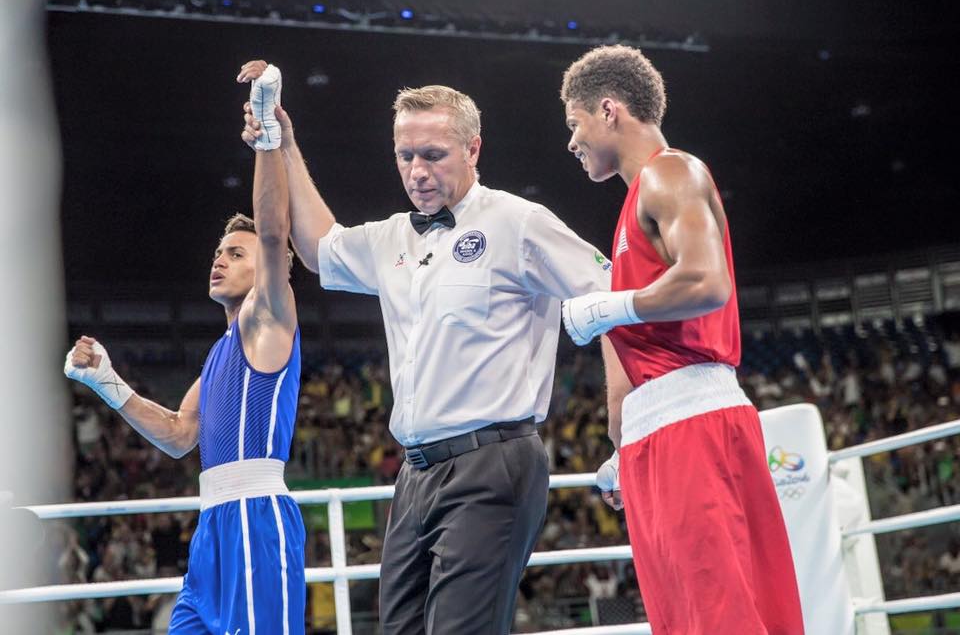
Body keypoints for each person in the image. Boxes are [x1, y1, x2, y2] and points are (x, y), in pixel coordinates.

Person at [236, 60, 610, 634]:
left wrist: (624, 431)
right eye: (405, 156)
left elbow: (614, 297)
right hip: (415, 473)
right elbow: (318, 249)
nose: (417, 171)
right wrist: (284, 142)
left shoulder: (519, 222)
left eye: (433, 155)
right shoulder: (393, 237)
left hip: (493, 460)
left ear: (473, 149)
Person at [558, 45, 805, 634]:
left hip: (694, 426)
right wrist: (624, 446)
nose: (571, 142)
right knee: (684, 620)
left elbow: (706, 280)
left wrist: (612, 304)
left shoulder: (671, 172)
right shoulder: (628, 211)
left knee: (723, 614)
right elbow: (633, 352)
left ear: (609, 109)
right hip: (657, 437)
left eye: (576, 123)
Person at [64, 66, 306, 634]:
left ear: (270, 271)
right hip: (213, 528)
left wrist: (267, 125)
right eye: (219, 251)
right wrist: (108, 382)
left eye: (236, 254)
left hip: (255, 519)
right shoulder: (219, 352)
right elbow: (178, 435)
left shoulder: (269, 320)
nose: (219, 259)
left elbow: (274, 233)